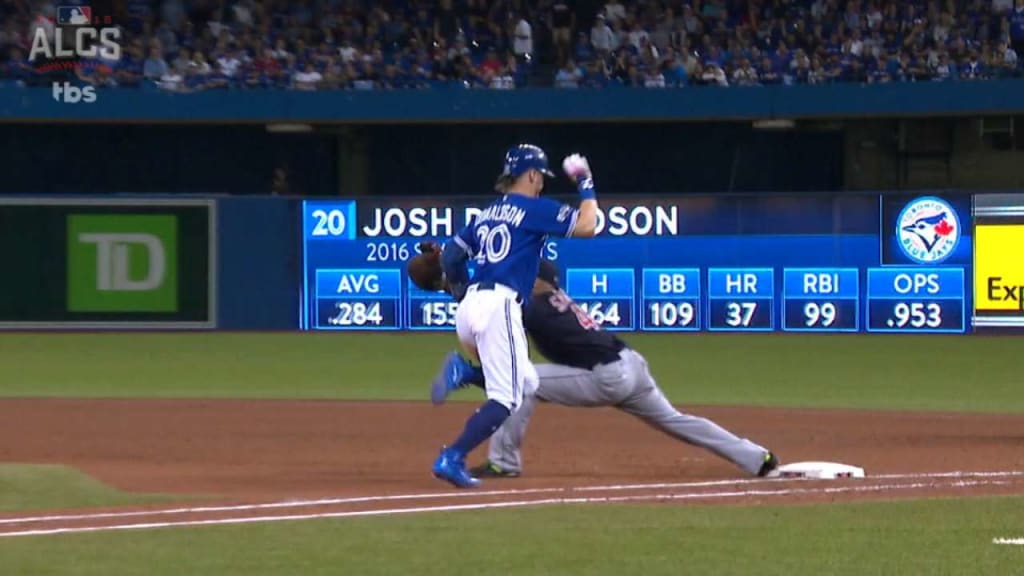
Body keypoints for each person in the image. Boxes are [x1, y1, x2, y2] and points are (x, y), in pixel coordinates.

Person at [412, 255, 779, 479]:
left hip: (608, 376)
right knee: (678, 421)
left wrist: (447, 277)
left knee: (525, 383)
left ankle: (503, 462)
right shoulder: (548, 296)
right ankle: (754, 456)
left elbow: (485, 306)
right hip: (632, 366)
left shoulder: (526, 307)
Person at [429, 144, 599, 488]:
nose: (542, 184)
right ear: (533, 175)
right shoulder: (533, 209)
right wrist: (585, 182)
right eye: (541, 178)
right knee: (506, 399)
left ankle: (465, 372)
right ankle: (453, 456)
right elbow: (588, 225)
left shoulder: (487, 213)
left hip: (471, 305)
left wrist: (461, 292)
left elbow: (450, 256)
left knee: (528, 383)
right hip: (500, 307)